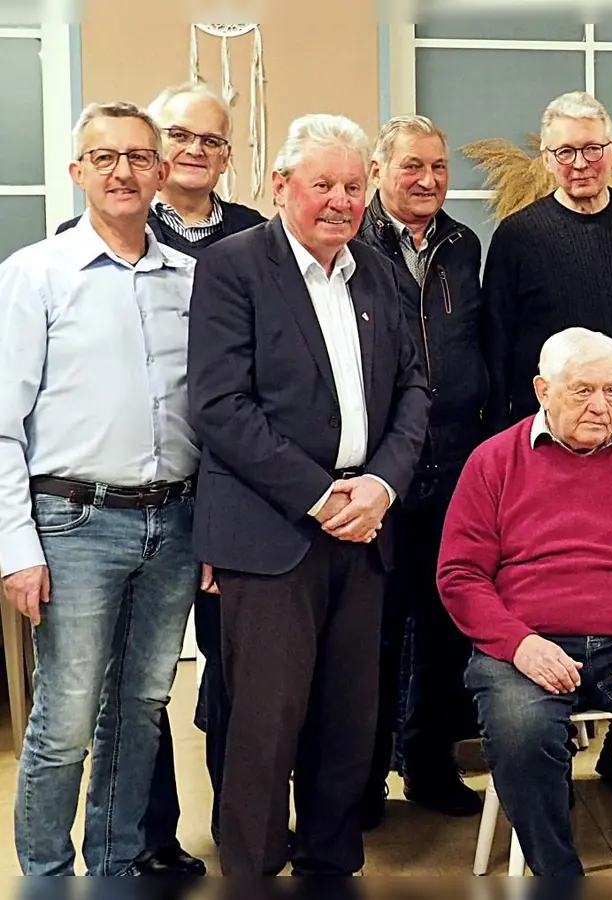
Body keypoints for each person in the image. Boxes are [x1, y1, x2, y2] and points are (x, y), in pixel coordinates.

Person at [188, 113, 430, 875]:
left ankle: (332, 866)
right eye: (322, 184)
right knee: (264, 725)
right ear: (280, 186)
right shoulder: (232, 266)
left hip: (366, 534)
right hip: (271, 534)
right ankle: (253, 873)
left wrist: (383, 484)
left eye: (354, 186)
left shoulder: (380, 271)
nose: (340, 200)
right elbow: (220, 405)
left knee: (345, 723)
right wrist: (323, 497)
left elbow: (416, 387)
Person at [54, 80, 265, 875]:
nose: (193, 152)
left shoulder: (254, 236)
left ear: (228, 156)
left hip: (227, 497)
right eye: (178, 137)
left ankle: (243, 832)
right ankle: (148, 838)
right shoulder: (103, 237)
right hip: (127, 501)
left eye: (212, 141)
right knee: (134, 689)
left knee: (233, 677)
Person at [437, 328, 612, 876]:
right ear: (543, 390)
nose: (601, 406)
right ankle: (557, 876)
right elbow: (459, 575)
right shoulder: (493, 461)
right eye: (583, 390)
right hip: (526, 646)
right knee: (522, 734)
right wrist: (519, 644)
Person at [0, 102, 202, 876]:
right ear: (78, 170)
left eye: (139, 157)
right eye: (105, 157)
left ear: (160, 171)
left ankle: (117, 870)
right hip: (74, 523)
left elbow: (211, 414)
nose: (124, 171)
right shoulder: (35, 276)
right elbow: (5, 424)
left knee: (143, 711)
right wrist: (18, 549)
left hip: (176, 523)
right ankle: (46, 875)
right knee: (65, 720)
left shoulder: (190, 279)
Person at [355, 114, 488, 825]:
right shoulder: (352, 240)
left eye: (437, 166)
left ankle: (430, 764)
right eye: (412, 166)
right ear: (380, 171)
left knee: (444, 627)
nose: (428, 179)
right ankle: (364, 778)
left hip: (456, 468)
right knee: (373, 633)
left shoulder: (462, 245)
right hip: (378, 472)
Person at [483, 92, 612, 444]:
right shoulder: (516, 237)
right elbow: (496, 346)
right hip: (546, 438)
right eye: (565, 152)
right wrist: (501, 437)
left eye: (592, 149)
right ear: (547, 161)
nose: (580, 163)